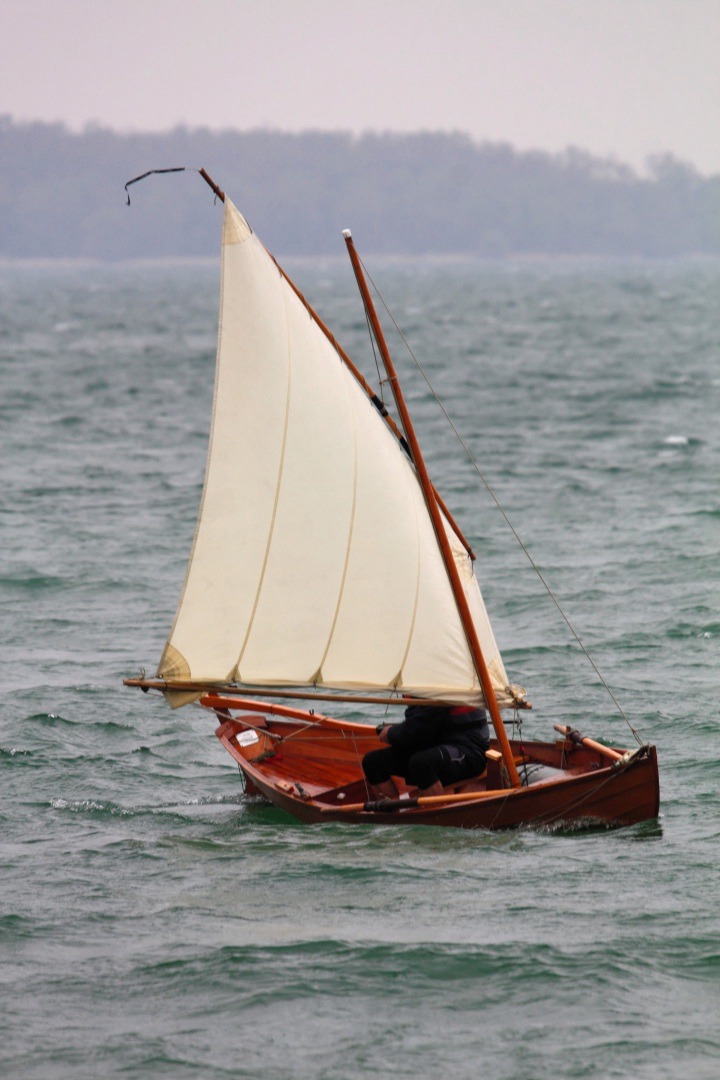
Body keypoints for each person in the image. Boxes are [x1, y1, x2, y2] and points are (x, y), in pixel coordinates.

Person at [362, 703, 490, 799]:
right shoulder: (421, 685)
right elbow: (417, 728)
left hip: (469, 750)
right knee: (373, 763)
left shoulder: (438, 685)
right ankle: (395, 816)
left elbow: (418, 729)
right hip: (435, 745)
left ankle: (437, 817)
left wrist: (391, 734)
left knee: (421, 763)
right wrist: (397, 732)